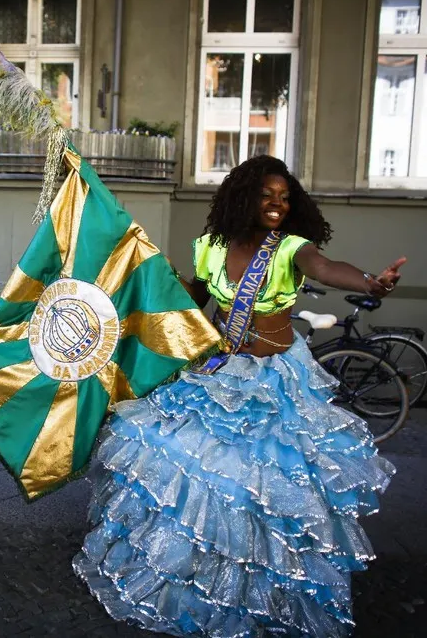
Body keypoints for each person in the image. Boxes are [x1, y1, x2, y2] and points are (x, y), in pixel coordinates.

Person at [73, 155, 404, 637]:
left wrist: (371, 282)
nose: (276, 204)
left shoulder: (291, 247)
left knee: (265, 485)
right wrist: (160, 281)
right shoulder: (211, 247)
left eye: (285, 197)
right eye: (267, 195)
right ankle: (198, 579)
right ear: (243, 197)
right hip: (221, 369)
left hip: (274, 380)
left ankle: (262, 592)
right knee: (190, 468)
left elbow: (328, 267)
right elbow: (195, 298)